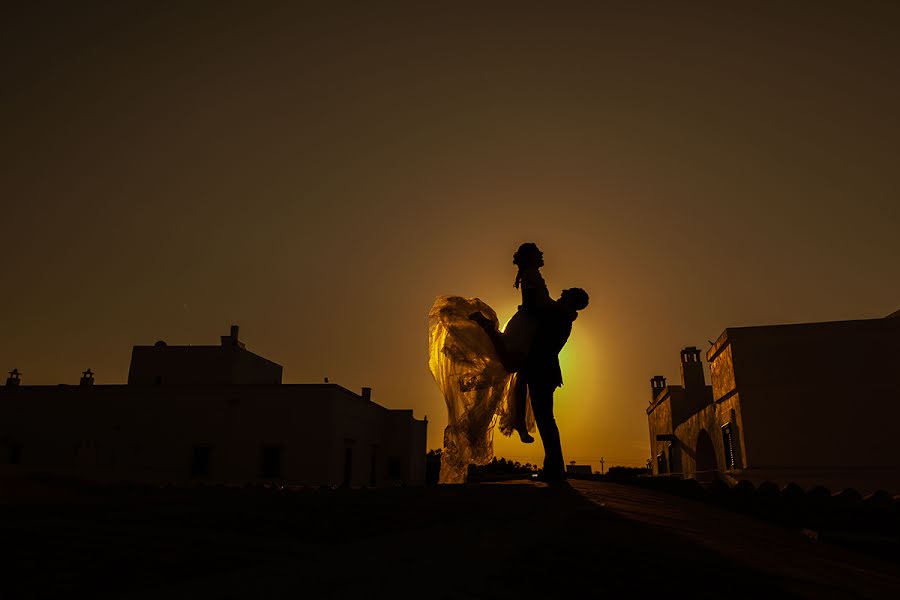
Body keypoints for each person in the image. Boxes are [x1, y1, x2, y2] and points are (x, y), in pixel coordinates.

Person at [471, 287, 589, 482]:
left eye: (564, 296)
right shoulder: (560, 315)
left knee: (545, 420)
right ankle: (552, 465)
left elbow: (541, 324)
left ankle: (554, 469)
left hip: (542, 369)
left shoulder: (560, 317)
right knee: (544, 418)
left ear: (571, 301)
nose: (560, 298)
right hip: (541, 369)